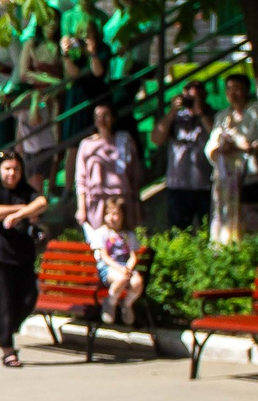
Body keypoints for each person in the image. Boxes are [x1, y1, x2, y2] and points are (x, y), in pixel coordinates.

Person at [0, 148, 49, 368]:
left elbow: (42, 202)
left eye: (16, 169)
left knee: (29, 298)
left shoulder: (25, 190)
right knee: (4, 302)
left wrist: (19, 215)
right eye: (8, 168)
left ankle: (4, 327)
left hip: (23, 255)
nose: (12, 173)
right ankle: (8, 350)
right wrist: (25, 209)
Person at [206, 73, 258, 243]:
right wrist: (221, 148)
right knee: (223, 217)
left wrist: (248, 147)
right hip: (225, 178)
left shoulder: (256, 112)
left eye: (237, 89)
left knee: (250, 221)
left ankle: (250, 251)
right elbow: (211, 146)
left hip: (249, 176)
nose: (233, 93)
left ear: (246, 90)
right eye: (229, 89)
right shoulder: (222, 116)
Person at [153, 85, 215, 234]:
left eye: (196, 97)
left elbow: (216, 135)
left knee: (206, 231)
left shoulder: (212, 115)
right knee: (177, 231)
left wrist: (201, 113)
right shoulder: (175, 118)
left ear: (205, 96)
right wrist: (172, 111)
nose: (191, 101)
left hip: (205, 185)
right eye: (189, 97)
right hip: (178, 186)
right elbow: (156, 138)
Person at [84, 190, 147, 327]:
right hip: (109, 269)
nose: (111, 217)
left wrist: (128, 268)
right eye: (108, 214)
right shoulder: (102, 233)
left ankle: (127, 304)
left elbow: (133, 256)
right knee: (121, 278)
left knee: (137, 282)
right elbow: (104, 257)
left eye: (115, 214)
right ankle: (110, 302)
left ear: (123, 216)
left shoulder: (128, 235)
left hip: (125, 267)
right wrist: (121, 269)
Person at [72, 102, 138, 230]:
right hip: (97, 201)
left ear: (113, 118)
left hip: (121, 200)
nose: (101, 120)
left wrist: (136, 204)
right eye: (98, 116)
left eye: (105, 115)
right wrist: (81, 208)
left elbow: (134, 174)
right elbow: (80, 179)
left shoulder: (124, 140)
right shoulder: (87, 144)